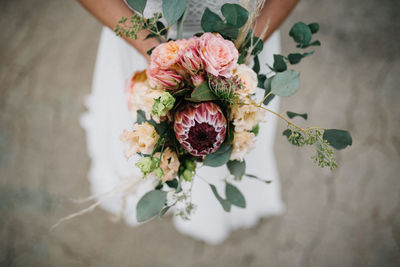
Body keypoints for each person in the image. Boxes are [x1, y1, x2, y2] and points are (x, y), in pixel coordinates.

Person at [78, 0, 298, 244]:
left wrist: (243, 50)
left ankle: (206, 204)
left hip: (243, 47)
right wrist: (155, 53)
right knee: (142, 140)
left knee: (236, 141)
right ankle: (153, 189)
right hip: (140, 39)